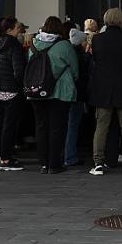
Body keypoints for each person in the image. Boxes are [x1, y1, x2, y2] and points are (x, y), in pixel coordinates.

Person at [88, 8, 122, 176]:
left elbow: (94, 61)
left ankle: (98, 162)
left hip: (103, 88)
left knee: (101, 126)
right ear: (121, 21)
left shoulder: (97, 39)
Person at [29, 16, 79, 174]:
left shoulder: (34, 44)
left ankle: (44, 163)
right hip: (60, 93)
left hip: (36, 92)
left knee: (41, 127)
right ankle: (54, 164)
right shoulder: (64, 45)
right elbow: (75, 70)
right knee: (57, 128)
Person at [0, 17, 27, 171]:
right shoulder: (14, 45)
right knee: (9, 126)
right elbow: (18, 70)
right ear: (10, 30)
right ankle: (6, 159)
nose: (19, 31)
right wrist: (21, 85)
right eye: (17, 28)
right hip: (12, 90)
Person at [65, 28, 91, 167]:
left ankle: (65, 153)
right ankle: (70, 156)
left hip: (66, 94)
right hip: (78, 95)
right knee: (73, 125)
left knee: (66, 125)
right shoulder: (83, 57)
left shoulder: (68, 53)